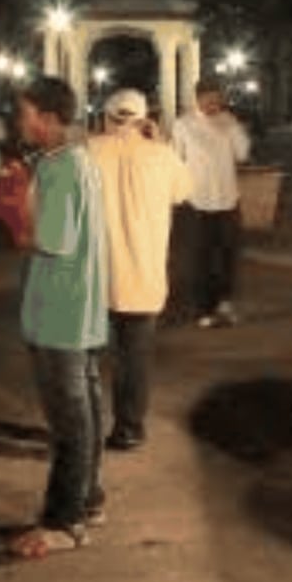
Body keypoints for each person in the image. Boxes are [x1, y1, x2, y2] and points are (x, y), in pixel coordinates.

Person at [7, 77, 109, 559]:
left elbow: (53, 240)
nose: (19, 123)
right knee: (85, 411)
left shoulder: (58, 168)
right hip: (80, 306)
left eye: (25, 114)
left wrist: (13, 222)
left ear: (48, 119)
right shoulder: (81, 159)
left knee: (70, 421)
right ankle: (87, 501)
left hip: (58, 311)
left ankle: (63, 520)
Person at [88, 88, 192, 451]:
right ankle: (129, 427)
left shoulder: (88, 152)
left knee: (83, 359)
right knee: (134, 358)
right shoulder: (163, 156)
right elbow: (183, 192)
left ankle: (80, 429)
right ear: (144, 118)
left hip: (94, 277)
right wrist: (160, 141)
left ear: (106, 116)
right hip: (143, 278)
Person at [172, 77, 250, 328]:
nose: (213, 104)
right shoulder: (184, 125)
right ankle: (204, 309)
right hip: (198, 201)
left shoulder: (229, 122)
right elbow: (175, 160)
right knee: (200, 258)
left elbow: (243, 153)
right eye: (208, 99)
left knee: (228, 255)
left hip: (228, 199)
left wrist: (233, 128)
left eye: (217, 99)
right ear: (198, 99)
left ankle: (225, 302)